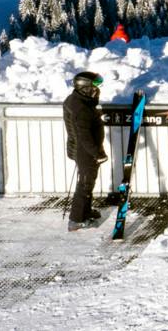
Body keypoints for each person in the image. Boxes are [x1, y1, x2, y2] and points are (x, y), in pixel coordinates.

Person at [62, 68, 106, 230]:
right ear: (85, 87)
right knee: (85, 184)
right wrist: (98, 153)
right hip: (85, 151)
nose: (97, 90)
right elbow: (84, 135)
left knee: (88, 182)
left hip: (83, 149)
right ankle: (76, 220)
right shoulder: (81, 108)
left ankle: (85, 211)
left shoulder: (78, 101)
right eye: (94, 86)